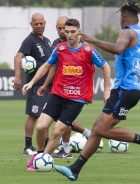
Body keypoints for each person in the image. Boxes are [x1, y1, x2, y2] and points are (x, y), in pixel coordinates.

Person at [54, 1, 140, 181]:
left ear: (123, 17)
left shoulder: (127, 32)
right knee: (96, 130)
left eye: (120, 17)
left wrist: (92, 39)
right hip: (128, 90)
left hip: (124, 89)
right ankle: (75, 169)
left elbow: (118, 48)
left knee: (102, 130)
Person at [22, 18, 111, 171]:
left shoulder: (88, 51)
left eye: (72, 32)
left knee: (57, 131)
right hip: (57, 94)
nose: (69, 34)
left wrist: (107, 90)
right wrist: (31, 82)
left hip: (76, 99)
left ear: (79, 32)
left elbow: (106, 67)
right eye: (66, 31)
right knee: (41, 127)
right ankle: (39, 153)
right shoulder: (60, 49)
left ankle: (42, 161)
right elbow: (46, 66)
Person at [50, 16, 92, 159]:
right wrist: (45, 84)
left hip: (72, 90)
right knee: (59, 120)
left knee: (63, 121)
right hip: (56, 87)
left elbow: (89, 69)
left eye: (67, 29)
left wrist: (86, 91)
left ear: (77, 31)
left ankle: (64, 149)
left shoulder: (84, 47)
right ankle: (87, 134)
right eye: (60, 28)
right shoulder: (56, 44)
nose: (64, 32)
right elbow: (50, 66)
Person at [13, 12, 55, 155]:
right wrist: (18, 77)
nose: (39, 26)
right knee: (33, 115)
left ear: (45, 23)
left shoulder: (48, 41)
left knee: (47, 116)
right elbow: (18, 56)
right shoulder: (29, 40)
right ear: (31, 24)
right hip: (36, 85)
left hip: (48, 85)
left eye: (41, 23)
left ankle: (46, 144)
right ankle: (28, 146)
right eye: (36, 23)